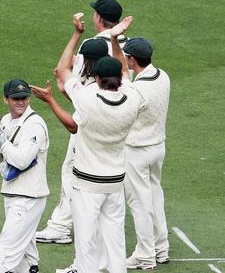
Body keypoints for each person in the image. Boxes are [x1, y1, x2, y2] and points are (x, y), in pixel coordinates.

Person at [32, 16, 143, 273]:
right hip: (115, 182)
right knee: (115, 244)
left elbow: (62, 70)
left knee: (86, 245)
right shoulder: (133, 97)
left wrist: (76, 34)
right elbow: (125, 71)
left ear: (96, 77)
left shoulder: (86, 97)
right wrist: (115, 39)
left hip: (87, 184)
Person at [36, 0, 128, 244]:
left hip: (88, 118)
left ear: (97, 18)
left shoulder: (93, 44)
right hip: (121, 119)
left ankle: (61, 226)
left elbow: (67, 77)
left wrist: (62, 91)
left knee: (72, 172)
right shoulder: (126, 45)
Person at [0, 79, 50, 273]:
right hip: (13, 194)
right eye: (15, 98)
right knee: (26, 256)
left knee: (2, 256)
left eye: (24, 97)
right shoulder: (6, 121)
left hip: (28, 197)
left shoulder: (35, 124)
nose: (21, 102)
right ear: (5, 100)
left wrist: (1, 139)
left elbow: (22, 160)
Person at [119, 38, 171, 270]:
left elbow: (123, 113)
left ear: (132, 59)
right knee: (155, 197)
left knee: (139, 203)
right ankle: (161, 248)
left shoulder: (136, 90)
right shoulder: (163, 76)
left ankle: (145, 255)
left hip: (136, 152)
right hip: (158, 147)